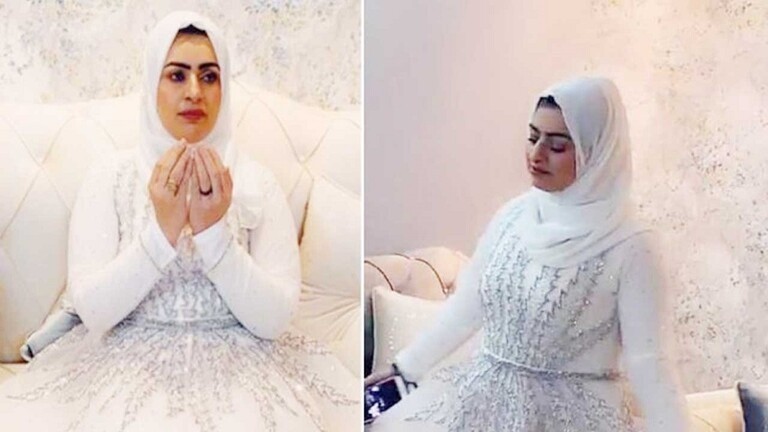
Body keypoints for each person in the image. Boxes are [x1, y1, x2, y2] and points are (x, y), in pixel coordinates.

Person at [0, 11, 357, 432]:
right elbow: (94, 311)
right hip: (124, 365)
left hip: (244, 367)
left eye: (209, 76)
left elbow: (274, 318)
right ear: (152, 83)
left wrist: (212, 235)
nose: (194, 92)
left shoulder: (255, 180)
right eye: (177, 75)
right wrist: (162, 233)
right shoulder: (110, 177)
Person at [365, 77, 692, 431]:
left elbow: (649, 360)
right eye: (533, 137)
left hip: (570, 419)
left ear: (596, 150)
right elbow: (468, 305)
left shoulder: (633, 246)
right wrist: (404, 369)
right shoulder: (514, 216)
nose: (537, 155)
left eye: (558, 145)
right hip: (480, 403)